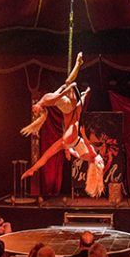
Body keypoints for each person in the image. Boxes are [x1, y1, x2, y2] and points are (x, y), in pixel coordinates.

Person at [20, 51, 105, 197]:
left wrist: (69, 89)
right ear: (40, 110)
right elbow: (59, 94)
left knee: (48, 154)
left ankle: (33, 169)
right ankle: (79, 66)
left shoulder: (45, 99)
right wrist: (70, 88)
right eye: (35, 112)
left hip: (71, 131)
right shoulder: (91, 155)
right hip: (72, 129)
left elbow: (59, 94)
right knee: (50, 153)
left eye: (33, 110)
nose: (33, 109)